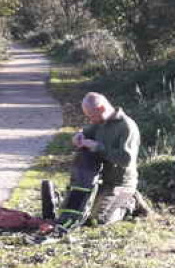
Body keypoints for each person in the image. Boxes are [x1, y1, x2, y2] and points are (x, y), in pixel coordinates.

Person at [41, 92, 150, 231]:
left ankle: (130, 202)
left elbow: (126, 159)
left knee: (97, 220)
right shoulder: (100, 122)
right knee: (80, 214)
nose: (91, 120)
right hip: (99, 182)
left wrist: (98, 147)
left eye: (92, 116)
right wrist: (78, 136)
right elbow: (85, 132)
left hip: (119, 182)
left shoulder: (127, 127)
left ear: (102, 109)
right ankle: (104, 199)